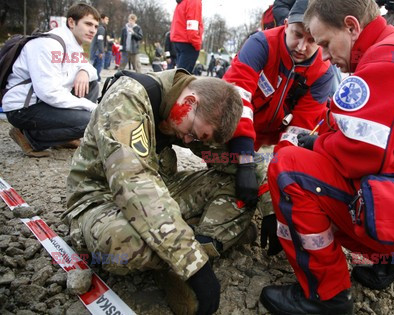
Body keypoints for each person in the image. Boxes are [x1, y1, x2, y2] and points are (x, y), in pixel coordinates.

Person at [260, 0, 394, 314]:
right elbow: (347, 120)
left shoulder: (386, 61)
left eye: (324, 43)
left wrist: (307, 154)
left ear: (351, 27)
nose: (322, 55)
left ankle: (327, 295)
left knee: (288, 170)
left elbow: (359, 156)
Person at [64, 69, 247, 315]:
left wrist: (251, 172)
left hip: (159, 190)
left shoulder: (185, 108)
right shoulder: (128, 97)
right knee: (119, 244)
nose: (189, 140)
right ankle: (194, 244)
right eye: (192, 133)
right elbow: (134, 185)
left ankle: (177, 245)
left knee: (244, 187)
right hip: (101, 199)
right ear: (190, 101)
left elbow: (225, 157)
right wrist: (194, 266)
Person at [220, 0, 335, 249]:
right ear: (285, 25)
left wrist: (276, 196)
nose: (302, 47)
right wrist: (245, 161)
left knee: (281, 171)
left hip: (278, 131)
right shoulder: (260, 44)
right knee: (226, 167)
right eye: (296, 35)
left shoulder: (324, 73)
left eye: (312, 40)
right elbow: (236, 97)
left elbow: (300, 130)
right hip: (244, 125)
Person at [3, 3, 100, 157]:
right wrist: (89, 106)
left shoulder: (74, 45)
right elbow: (48, 92)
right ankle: (30, 137)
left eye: (95, 26)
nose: (93, 30)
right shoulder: (49, 44)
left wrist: (84, 71)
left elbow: (93, 72)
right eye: (88, 24)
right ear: (71, 22)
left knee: (91, 84)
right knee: (93, 120)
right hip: (23, 108)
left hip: (44, 103)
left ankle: (64, 137)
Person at [170, 0, 203, 73]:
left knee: (179, 73)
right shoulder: (194, 1)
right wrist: (197, 45)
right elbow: (192, 26)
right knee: (182, 77)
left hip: (179, 40)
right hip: (189, 42)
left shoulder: (182, 2)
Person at [90, 13, 108, 81]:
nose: (107, 20)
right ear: (102, 19)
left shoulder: (98, 27)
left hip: (95, 50)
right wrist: (101, 51)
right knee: (98, 67)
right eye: (106, 19)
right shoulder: (101, 29)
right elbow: (100, 40)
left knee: (94, 66)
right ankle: (96, 80)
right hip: (97, 51)